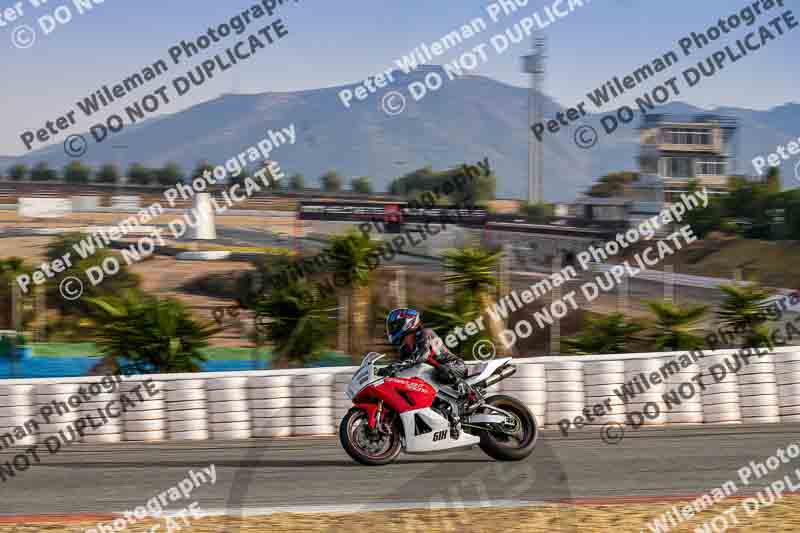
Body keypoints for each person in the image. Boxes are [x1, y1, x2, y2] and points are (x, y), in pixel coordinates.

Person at [380, 308, 472, 435]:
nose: (392, 329)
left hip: (453, 366)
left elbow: (422, 355)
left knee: (441, 371)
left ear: (407, 322)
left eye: (395, 325)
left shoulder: (425, 333)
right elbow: (402, 371)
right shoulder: (404, 348)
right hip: (433, 377)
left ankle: (464, 389)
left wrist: (395, 366)